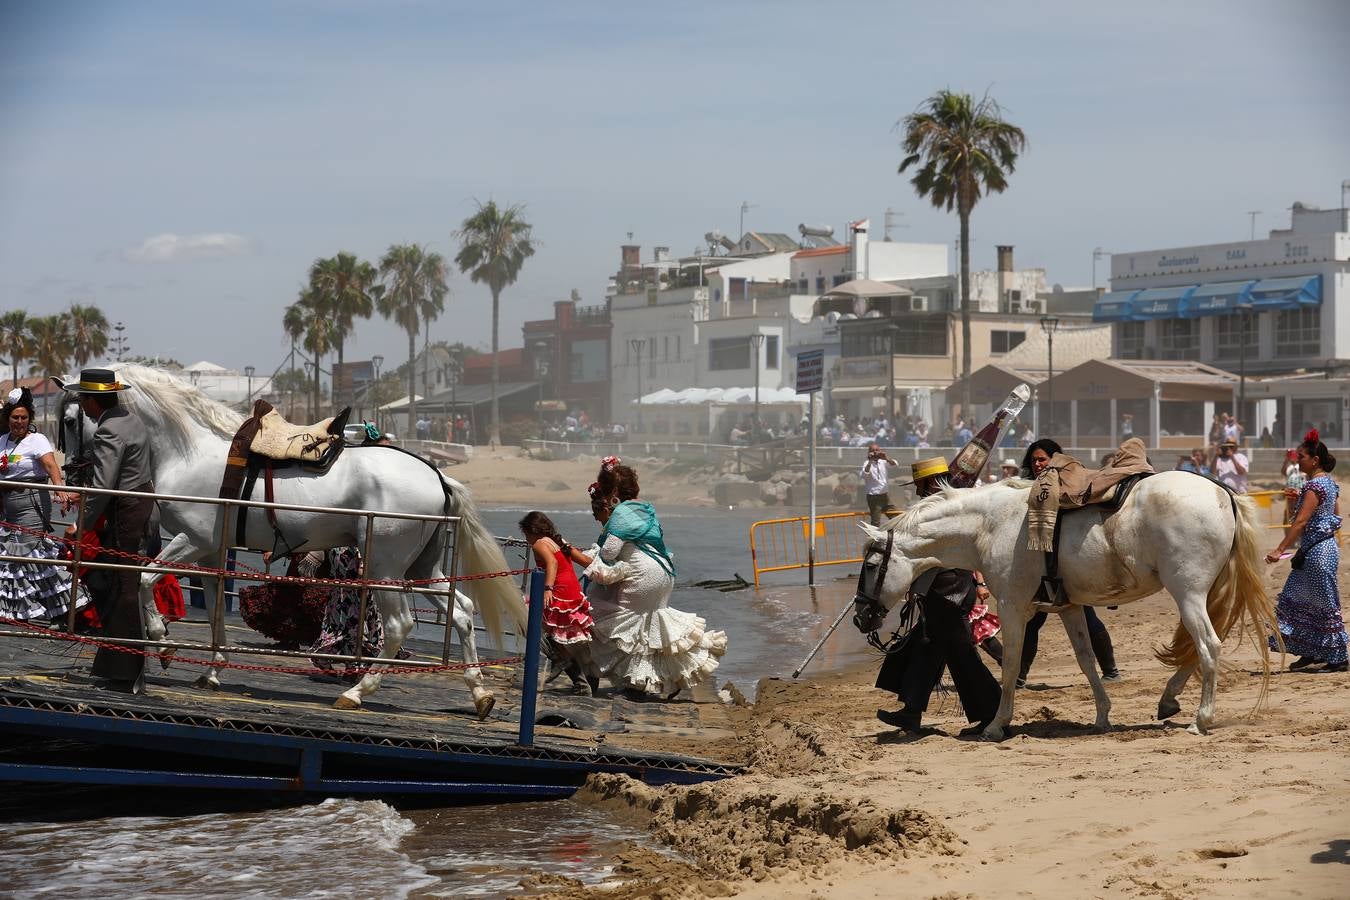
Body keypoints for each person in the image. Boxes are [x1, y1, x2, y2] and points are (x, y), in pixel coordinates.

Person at [565, 458, 726, 700]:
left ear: (615, 492)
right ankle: (670, 675)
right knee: (649, 626)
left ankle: (634, 684)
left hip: (641, 573)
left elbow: (609, 553)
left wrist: (581, 553)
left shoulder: (621, 513)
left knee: (615, 623)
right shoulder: (645, 508)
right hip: (662, 571)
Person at [874, 457, 1002, 736]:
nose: (918, 490)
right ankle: (911, 712)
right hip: (941, 589)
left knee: (961, 655)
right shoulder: (939, 507)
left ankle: (993, 712)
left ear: (930, 481)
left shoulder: (945, 509)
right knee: (926, 647)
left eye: (920, 484)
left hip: (950, 589)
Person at [56, 369, 154, 693]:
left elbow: (101, 487)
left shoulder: (108, 430)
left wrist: (79, 525)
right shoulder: (130, 419)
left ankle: (127, 672)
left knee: (121, 586)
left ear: (92, 400)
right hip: (136, 507)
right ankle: (117, 664)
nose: (81, 405)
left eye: (83, 398)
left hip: (124, 511)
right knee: (113, 581)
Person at [1016, 439, 1122, 685]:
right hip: (1041, 569)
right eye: (1033, 460)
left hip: (1068, 568)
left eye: (1042, 459)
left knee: (1087, 618)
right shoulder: (1030, 489)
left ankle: (1111, 671)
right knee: (1032, 623)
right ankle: (1019, 677)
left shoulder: (1070, 488)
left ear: (1054, 459)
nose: (1037, 464)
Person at [0, 387, 90, 622]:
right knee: (15, 559)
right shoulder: (2, 442)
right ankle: (20, 610)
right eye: (15, 418)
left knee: (27, 555)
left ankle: (69, 603)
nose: (19, 422)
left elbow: (51, 467)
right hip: (7, 506)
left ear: (29, 419)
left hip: (32, 504)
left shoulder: (37, 440)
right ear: (7, 419)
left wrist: (60, 489)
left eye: (23, 418)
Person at [1265, 430, 1347, 672]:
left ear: (1315, 460)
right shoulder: (1327, 484)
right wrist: (1302, 496)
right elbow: (1329, 513)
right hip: (1318, 550)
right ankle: (1311, 650)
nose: (1297, 460)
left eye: (1301, 457)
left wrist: (1280, 550)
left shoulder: (1314, 485)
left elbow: (1300, 522)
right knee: (1300, 598)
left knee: (1323, 603)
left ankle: (1338, 658)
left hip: (1317, 553)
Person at [519, 510, 596, 696]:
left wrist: (548, 588)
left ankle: (561, 661)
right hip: (573, 591)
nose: (526, 539)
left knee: (523, 620)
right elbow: (587, 562)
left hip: (558, 592)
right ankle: (580, 678)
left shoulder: (539, 544)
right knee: (555, 634)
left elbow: (552, 563)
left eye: (526, 534)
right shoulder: (558, 541)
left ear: (532, 531)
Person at [860, 442, 899, 526]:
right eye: (873, 451)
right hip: (874, 498)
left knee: (896, 518)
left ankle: (891, 537)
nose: (875, 452)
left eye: (877, 450)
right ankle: (873, 539)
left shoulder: (883, 461)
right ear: (869, 452)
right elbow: (864, 475)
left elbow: (895, 465)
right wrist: (870, 461)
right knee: (876, 523)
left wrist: (886, 458)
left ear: (880, 451)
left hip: (885, 496)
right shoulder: (867, 463)